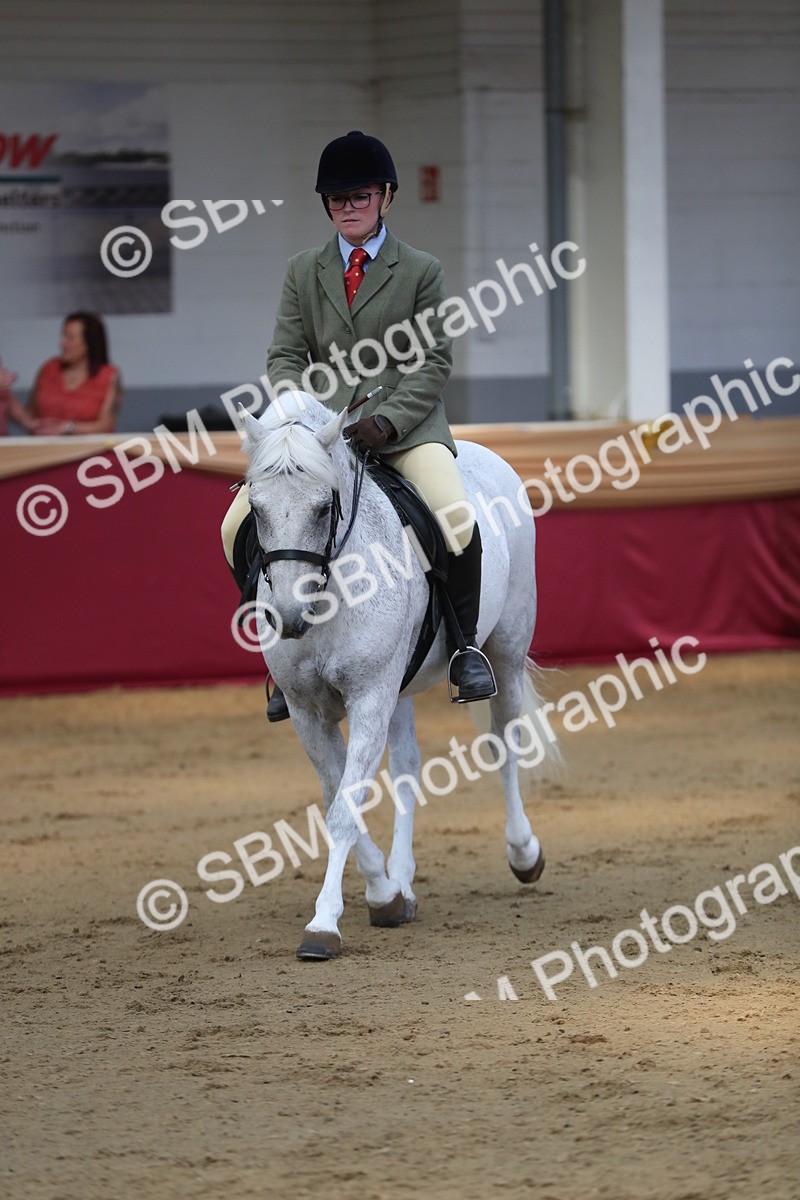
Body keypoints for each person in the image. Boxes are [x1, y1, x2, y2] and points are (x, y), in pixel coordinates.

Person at [222, 130, 496, 722]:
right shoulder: (304, 271)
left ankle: (466, 646)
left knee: (454, 513)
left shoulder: (420, 269)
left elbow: (433, 361)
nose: (350, 205)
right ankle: (280, 660)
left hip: (404, 429)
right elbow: (285, 355)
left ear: (386, 197)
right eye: (339, 197)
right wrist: (301, 414)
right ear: (327, 204)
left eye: (361, 195)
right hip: (324, 437)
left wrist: (388, 421)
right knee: (234, 524)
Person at [0, 312, 122, 436]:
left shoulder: (109, 375)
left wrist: (68, 427)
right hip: (46, 450)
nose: (62, 343)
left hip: (90, 451)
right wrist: (4, 392)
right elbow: (29, 417)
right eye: (63, 336)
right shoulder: (49, 369)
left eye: (70, 337)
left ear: (89, 342)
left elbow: (105, 424)